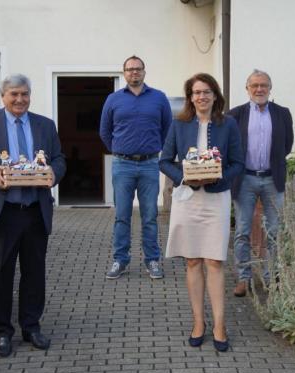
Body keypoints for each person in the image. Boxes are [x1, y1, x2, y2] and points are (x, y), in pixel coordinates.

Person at [0, 74, 66, 357]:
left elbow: (59, 159)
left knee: (34, 273)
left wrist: (53, 174)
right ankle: (2, 331)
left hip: (35, 211)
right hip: (3, 210)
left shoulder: (45, 124)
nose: (19, 99)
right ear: (3, 95)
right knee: (1, 273)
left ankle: (31, 326)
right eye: (14, 95)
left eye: (24, 94)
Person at [159, 73, 244, 352]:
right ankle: (199, 322)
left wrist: (218, 179)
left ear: (215, 95)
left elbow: (237, 163)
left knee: (215, 261)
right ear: (190, 97)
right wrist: (184, 176)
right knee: (193, 261)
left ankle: (220, 324)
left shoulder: (228, 124)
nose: (202, 97)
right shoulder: (179, 124)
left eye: (207, 92)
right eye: (196, 92)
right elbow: (165, 161)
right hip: (188, 201)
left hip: (216, 199)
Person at [99, 55, 172, 280]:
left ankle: (152, 260)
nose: (134, 73)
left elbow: (167, 130)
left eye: (138, 69)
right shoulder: (113, 99)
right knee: (122, 215)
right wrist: (120, 149)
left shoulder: (159, 98)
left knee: (150, 215)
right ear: (124, 73)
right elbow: (104, 131)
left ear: (144, 72)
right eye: (130, 69)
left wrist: (153, 149)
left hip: (150, 164)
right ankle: (120, 260)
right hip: (122, 164)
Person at [227, 70, 294, 297]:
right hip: (244, 178)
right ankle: (243, 279)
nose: (259, 89)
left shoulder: (282, 114)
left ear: (270, 88)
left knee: (273, 231)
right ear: (247, 88)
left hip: (272, 178)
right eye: (254, 85)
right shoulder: (235, 115)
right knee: (243, 231)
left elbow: (287, 146)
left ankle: (269, 277)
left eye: (263, 85)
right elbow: (229, 148)